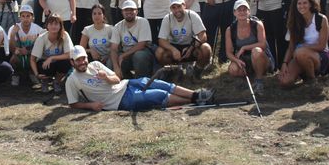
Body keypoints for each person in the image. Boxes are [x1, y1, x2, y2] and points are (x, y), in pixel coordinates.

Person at [65, 45, 216, 111]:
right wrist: (90, 106)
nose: (83, 62)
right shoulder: (72, 80)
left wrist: (107, 78)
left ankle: (196, 94)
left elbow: (116, 79)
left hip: (125, 85)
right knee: (158, 95)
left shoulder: (95, 64)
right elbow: (73, 104)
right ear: (72, 62)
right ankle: (196, 101)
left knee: (156, 83)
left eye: (84, 58)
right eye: (78, 60)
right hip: (118, 101)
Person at [278, 0, 329, 87]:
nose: (302, 6)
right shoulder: (294, 21)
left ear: (310, 4)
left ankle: (312, 79)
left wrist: (303, 47)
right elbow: (291, 47)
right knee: (284, 81)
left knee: (300, 52)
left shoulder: (321, 19)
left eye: (305, 3)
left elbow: (322, 46)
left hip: (320, 55)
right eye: (299, 3)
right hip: (300, 55)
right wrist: (284, 63)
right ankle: (303, 75)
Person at [156, 0, 212, 79]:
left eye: (179, 6)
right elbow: (161, 40)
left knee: (206, 48)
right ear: (170, 9)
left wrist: (191, 48)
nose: (177, 10)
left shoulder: (192, 15)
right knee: (159, 52)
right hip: (174, 46)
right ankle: (172, 71)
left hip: (191, 45)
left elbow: (203, 36)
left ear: (184, 6)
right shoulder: (167, 18)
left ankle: (197, 71)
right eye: (174, 7)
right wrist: (173, 50)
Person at [225, 0, 274, 95]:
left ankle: (259, 81)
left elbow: (262, 44)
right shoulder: (230, 29)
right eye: (239, 10)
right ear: (234, 12)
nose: (242, 12)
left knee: (256, 51)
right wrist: (237, 60)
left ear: (249, 12)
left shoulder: (257, 24)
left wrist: (244, 48)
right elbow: (228, 52)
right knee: (233, 69)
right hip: (244, 59)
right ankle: (250, 79)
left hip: (262, 57)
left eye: (245, 10)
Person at [110, 0, 154, 79]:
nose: (129, 12)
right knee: (111, 61)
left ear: (136, 11)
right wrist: (116, 66)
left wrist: (123, 56)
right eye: (126, 10)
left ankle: (143, 82)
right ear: (122, 12)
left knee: (139, 56)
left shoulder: (143, 22)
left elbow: (142, 45)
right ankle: (124, 83)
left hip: (143, 52)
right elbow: (113, 48)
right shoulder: (117, 26)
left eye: (131, 10)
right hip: (126, 55)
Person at [30, 14, 74, 93]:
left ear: (60, 26)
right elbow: (32, 59)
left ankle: (56, 81)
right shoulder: (41, 38)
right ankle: (45, 81)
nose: (53, 26)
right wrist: (36, 74)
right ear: (47, 26)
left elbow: (69, 54)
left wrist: (52, 58)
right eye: (51, 24)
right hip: (45, 64)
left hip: (57, 62)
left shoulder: (65, 35)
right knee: (42, 65)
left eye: (56, 24)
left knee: (67, 62)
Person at [7, 4, 44, 86]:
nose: (25, 19)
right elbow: (11, 49)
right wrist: (13, 35)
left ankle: (32, 73)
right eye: (23, 16)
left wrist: (28, 51)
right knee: (13, 58)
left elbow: (42, 46)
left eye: (28, 16)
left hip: (32, 54)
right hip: (19, 55)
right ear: (20, 18)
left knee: (38, 57)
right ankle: (15, 74)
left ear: (32, 18)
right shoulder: (13, 28)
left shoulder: (38, 29)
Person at [80, 4, 116, 68]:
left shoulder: (110, 29)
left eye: (99, 13)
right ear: (91, 15)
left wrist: (108, 57)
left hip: (109, 58)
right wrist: (91, 50)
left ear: (103, 15)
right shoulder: (87, 29)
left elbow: (115, 48)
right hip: (94, 59)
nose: (97, 16)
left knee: (110, 63)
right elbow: (81, 49)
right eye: (94, 14)